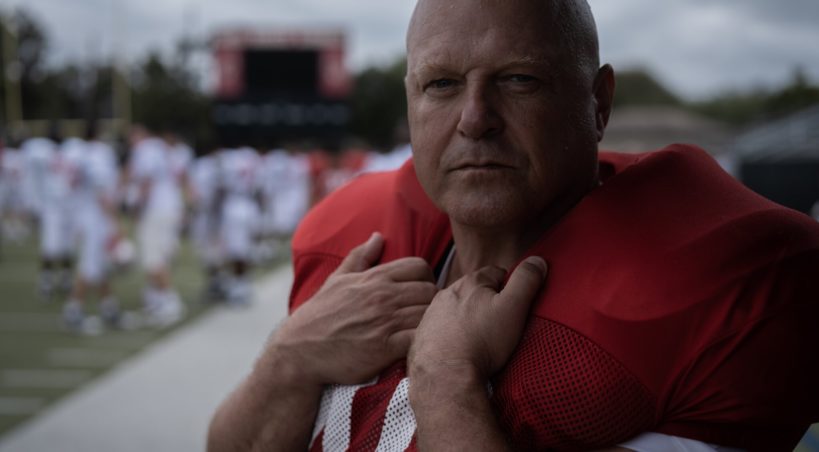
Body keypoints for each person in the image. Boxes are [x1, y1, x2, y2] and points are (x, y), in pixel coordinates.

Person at [208, 0, 819, 451]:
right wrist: (287, 360)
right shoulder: (356, 242)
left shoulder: (720, 283)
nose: (475, 118)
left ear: (598, 103)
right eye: (441, 84)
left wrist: (445, 383)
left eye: (519, 79)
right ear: (410, 104)